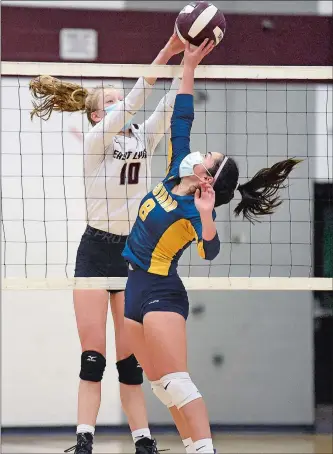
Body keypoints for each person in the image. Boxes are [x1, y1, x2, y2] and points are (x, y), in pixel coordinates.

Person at [122, 39, 300, 454]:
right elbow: (182, 115)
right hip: (133, 286)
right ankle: (193, 448)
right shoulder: (174, 172)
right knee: (162, 387)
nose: (199, 152)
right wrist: (189, 63)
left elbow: (211, 252)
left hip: (161, 291)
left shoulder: (195, 210)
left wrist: (205, 215)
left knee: (178, 382)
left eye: (207, 156)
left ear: (207, 179)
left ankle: (206, 450)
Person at [29, 34, 192, 454]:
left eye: (122, 100)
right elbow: (138, 100)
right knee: (93, 359)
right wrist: (165, 51)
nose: (123, 106)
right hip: (94, 249)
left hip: (129, 253)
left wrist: (188, 63)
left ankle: (143, 442)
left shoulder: (144, 140)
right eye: (114, 102)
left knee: (130, 363)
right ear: (99, 115)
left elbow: (167, 104)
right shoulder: (97, 142)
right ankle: (83, 441)